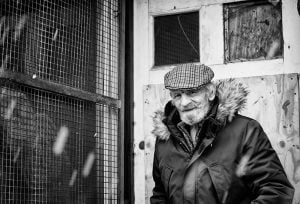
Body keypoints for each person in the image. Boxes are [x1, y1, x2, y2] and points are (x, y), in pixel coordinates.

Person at [150, 63, 294, 204]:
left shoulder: (245, 131)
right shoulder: (164, 140)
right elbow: (159, 195)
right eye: (177, 95)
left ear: (210, 92)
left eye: (192, 92)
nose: (184, 102)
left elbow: (276, 190)